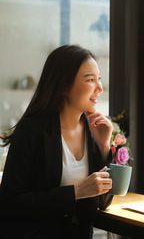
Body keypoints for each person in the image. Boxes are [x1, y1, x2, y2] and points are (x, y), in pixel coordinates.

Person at [0, 44, 113, 239]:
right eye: (90, 80)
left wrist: (103, 147)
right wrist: (75, 192)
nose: (100, 88)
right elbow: (10, 203)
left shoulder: (90, 129)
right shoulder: (32, 129)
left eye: (99, 79)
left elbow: (103, 201)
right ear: (63, 85)